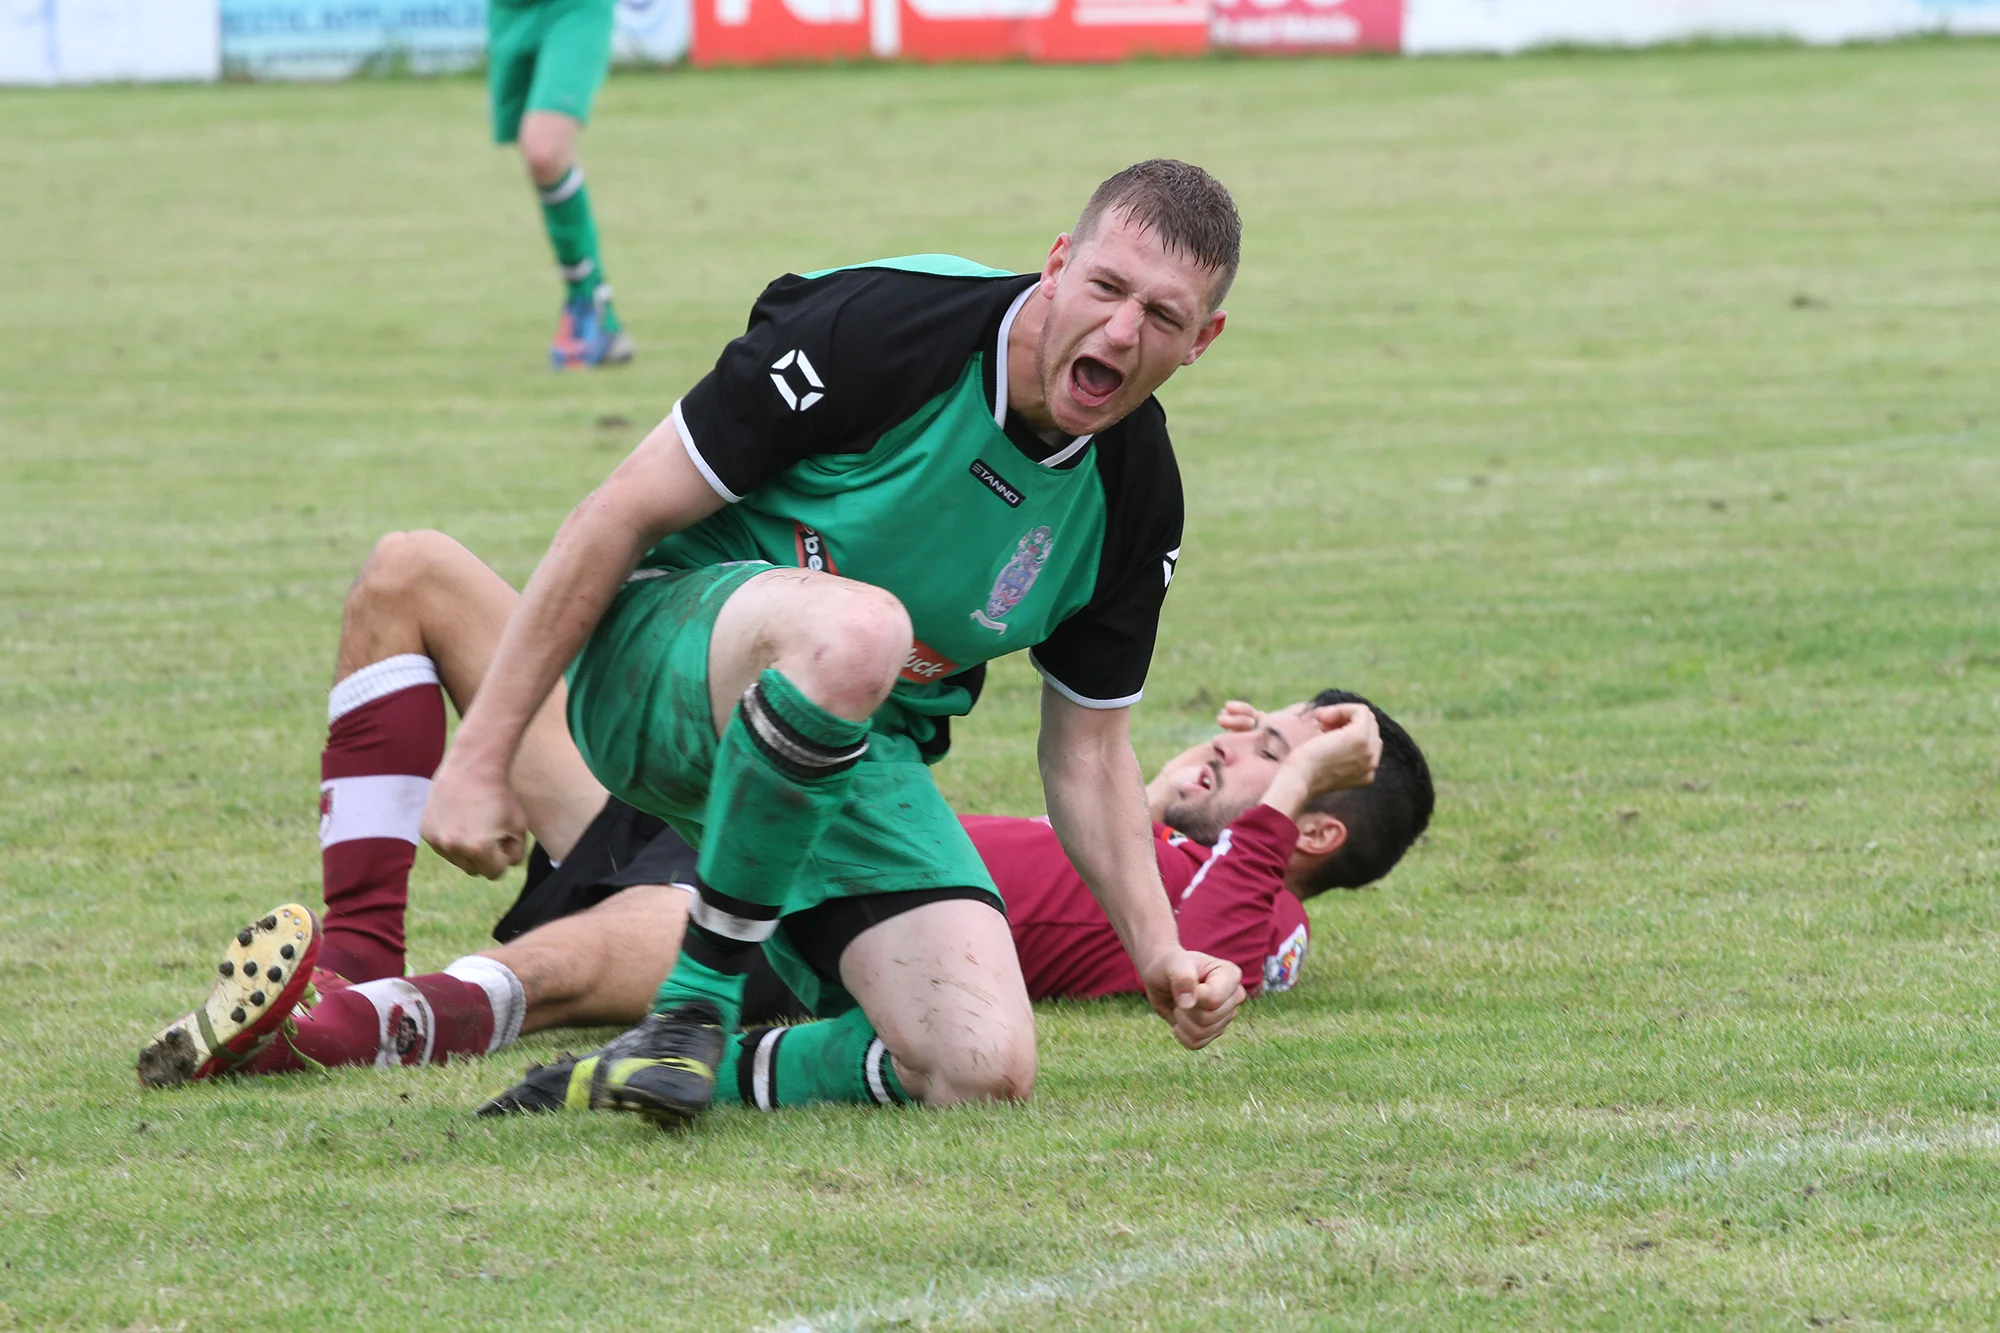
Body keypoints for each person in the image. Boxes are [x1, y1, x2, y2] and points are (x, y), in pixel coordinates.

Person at [418, 158, 1253, 1126]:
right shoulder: (888, 327)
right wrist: (481, 754)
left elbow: (1089, 749)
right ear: (1057, 265)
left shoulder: (1134, 499)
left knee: (977, 1063)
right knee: (862, 628)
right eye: (1105, 288)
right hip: (663, 658)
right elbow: (617, 512)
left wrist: (1157, 950)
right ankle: (691, 1005)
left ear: (1201, 341)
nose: (1119, 330)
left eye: (1161, 315)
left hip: (851, 748)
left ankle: (618, 1077)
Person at [136, 533, 1432, 1104]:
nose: (1240, 727)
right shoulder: (1149, 841)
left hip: (783, 903)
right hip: (706, 783)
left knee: (573, 966)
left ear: (1313, 831)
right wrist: (1239, 777)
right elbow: (1090, 806)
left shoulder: (1252, 920)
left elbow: (1199, 956)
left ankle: (305, 1036)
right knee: (413, 571)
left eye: (1272, 747)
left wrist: (1286, 784)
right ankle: (359, 948)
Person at [489, 0, 635, 368]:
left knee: (543, 149)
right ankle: (596, 311)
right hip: (510, 12)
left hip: (575, 9)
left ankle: (587, 302)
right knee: (545, 160)